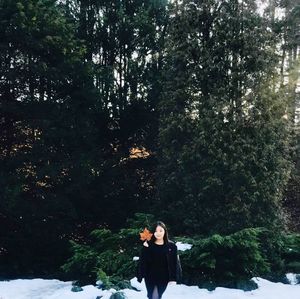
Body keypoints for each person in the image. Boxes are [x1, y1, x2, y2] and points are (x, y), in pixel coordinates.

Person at [137, 221, 182, 299]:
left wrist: (173, 278)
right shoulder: (149, 244)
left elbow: (174, 263)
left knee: (157, 295)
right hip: (150, 275)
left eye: (161, 231)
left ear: (165, 231)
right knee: (152, 296)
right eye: (156, 231)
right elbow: (144, 261)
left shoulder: (171, 246)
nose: (158, 233)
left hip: (164, 276)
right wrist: (145, 248)